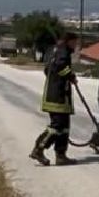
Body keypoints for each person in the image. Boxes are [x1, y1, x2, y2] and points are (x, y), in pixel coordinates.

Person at [30, 32, 79, 167]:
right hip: (57, 96)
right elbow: (60, 67)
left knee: (63, 127)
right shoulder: (62, 52)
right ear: (68, 41)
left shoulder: (55, 51)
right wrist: (70, 76)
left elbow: (47, 70)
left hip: (58, 95)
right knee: (57, 126)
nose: (76, 45)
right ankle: (39, 149)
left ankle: (61, 156)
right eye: (74, 42)